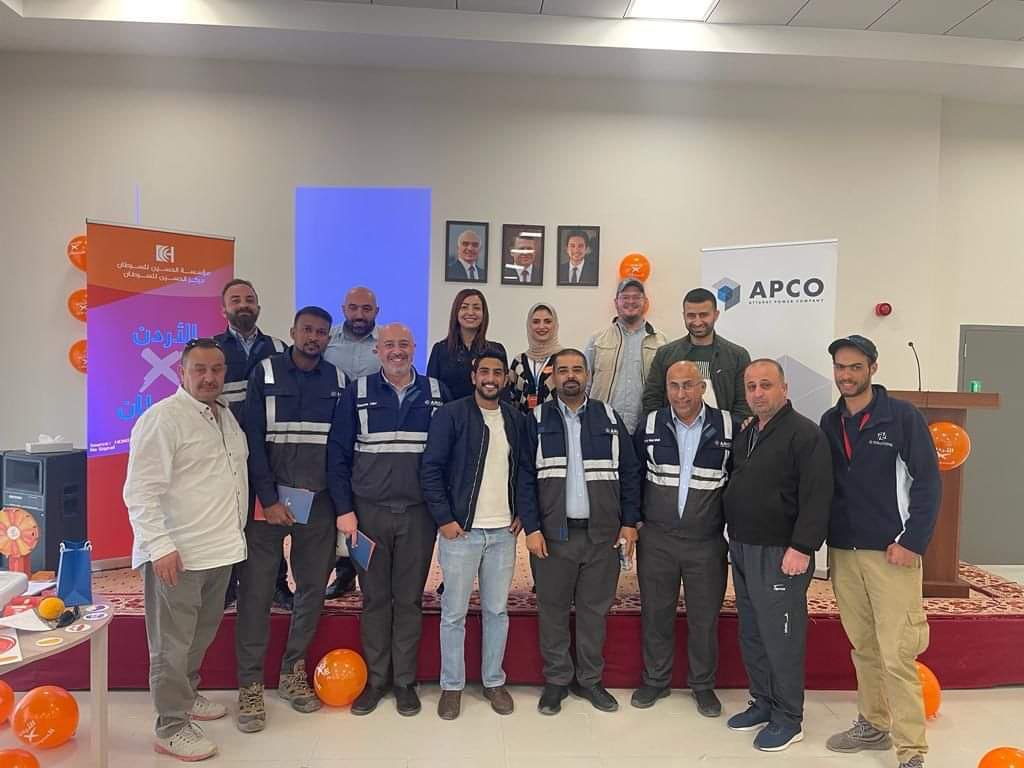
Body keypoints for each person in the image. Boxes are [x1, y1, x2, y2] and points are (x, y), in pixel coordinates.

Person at [124, 338, 247, 761]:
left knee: (199, 635)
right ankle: (171, 725)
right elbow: (140, 491)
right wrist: (159, 546)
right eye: (200, 369)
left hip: (220, 550)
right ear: (182, 372)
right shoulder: (163, 419)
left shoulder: (225, 417)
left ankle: (188, 694)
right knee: (171, 645)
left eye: (217, 369)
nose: (209, 377)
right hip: (178, 555)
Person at [821, 336, 941, 768]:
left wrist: (912, 542)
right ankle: (873, 724)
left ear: (872, 368)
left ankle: (911, 750)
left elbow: (928, 482)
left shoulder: (902, 417)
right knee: (864, 647)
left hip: (892, 553)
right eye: (840, 367)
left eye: (855, 367)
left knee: (897, 653)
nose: (846, 375)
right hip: (844, 552)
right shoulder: (830, 421)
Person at [235, 307, 348, 734]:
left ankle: (292, 669)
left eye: (321, 332)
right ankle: (250, 684)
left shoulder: (337, 381)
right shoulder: (265, 372)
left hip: (318, 503)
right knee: (257, 591)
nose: (313, 338)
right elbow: (252, 440)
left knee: (312, 588)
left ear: (328, 338)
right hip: (270, 504)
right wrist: (267, 497)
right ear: (293, 332)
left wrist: (338, 503)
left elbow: (339, 449)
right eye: (307, 330)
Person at [328, 323, 450, 717]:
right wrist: (344, 510)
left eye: (403, 345)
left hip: (418, 516)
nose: (397, 352)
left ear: (414, 348)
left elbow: (449, 457)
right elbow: (338, 454)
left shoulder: (436, 393)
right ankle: (377, 680)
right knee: (375, 598)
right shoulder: (357, 392)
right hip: (369, 516)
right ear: (377, 351)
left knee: (409, 599)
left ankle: (405, 682)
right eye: (389, 345)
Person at [518, 348, 641, 716]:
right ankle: (557, 681)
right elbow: (524, 477)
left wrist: (629, 523)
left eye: (577, 369)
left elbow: (630, 473)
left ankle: (589, 680)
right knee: (552, 610)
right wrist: (532, 528)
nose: (570, 376)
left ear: (588, 375)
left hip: (602, 536)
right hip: (553, 536)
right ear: (553, 376)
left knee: (594, 612)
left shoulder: (609, 417)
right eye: (563, 370)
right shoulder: (536, 419)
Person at [723, 359, 832, 752]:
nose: (757, 393)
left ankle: (788, 717)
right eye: (751, 386)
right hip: (743, 547)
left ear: (784, 388)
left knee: (781, 637)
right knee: (752, 631)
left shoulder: (805, 434)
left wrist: (802, 547)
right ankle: (763, 702)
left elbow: (818, 495)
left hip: (782, 553)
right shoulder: (748, 433)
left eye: (765, 385)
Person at [421, 351, 524, 720]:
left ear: (506, 379)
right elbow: (431, 469)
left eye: (498, 372)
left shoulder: (515, 419)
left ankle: (494, 681)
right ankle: (452, 686)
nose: (491, 378)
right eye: (485, 371)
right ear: (473, 376)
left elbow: (524, 470)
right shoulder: (451, 415)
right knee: (454, 613)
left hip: (502, 533)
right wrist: (444, 519)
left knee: (497, 610)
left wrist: (522, 512)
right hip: (461, 532)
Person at [631, 361, 733, 717]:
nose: (681, 394)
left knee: (704, 618)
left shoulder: (728, 426)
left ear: (702, 387)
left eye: (688, 385)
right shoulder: (650, 424)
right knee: (656, 614)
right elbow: (634, 474)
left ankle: (703, 685)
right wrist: (635, 522)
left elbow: (739, 480)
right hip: (657, 540)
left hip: (706, 542)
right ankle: (655, 680)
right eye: (674, 386)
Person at [213, 279, 288, 610]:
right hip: (223, 452)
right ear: (224, 309)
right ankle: (228, 585)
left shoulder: (279, 348)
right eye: (236, 300)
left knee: (270, 522)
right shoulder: (212, 350)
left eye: (249, 299)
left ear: (258, 306)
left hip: (269, 452)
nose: (243, 305)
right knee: (228, 518)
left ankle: (277, 584)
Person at [322, 285, 383, 599]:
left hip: (372, 434)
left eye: (366, 309)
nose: (360, 315)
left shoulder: (385, 342)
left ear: (376, 312)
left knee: (363, 502)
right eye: (354, 308)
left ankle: (367, 572)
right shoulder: (327, 341)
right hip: (332, 430)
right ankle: (343, 574)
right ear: (343, 309)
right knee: (337, 500)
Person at [642, 288, 752, 418]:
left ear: (716, 315)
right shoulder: (665, 355)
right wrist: (664, 427)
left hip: (724, 430)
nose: (698, 322)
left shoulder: (738, 356)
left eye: (704, 315)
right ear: (684, 316)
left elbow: (744, 405)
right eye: (691, 315)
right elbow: (652, 399)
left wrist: (727, 427)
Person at [585, 278, 668, 434]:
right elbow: (585, 384)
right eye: (625, 297)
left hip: (646, 428)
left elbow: (667, 389)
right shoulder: (597, 340)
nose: (631, 301)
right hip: (602, 426)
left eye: (636, 297)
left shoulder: (661, 343)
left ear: (646, 302)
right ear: (616, 302)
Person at [427, 288, 507, 401]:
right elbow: (432, 390)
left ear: (484, 314)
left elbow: (503, 393)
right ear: (456, 312)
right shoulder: (440, 349)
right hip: (448, 411)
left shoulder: (496, 350)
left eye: (476, 308)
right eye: (464, 307)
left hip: (486, 411)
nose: (470, 312)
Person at [508, 303, 560, 414]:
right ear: (529, 325)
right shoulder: (519, 362)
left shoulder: (564, 359)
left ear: (555, 325)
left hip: (557, 423)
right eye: (536, 322)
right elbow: (510, 398)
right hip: (523, 423)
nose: (541, 326)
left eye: (547, 321)